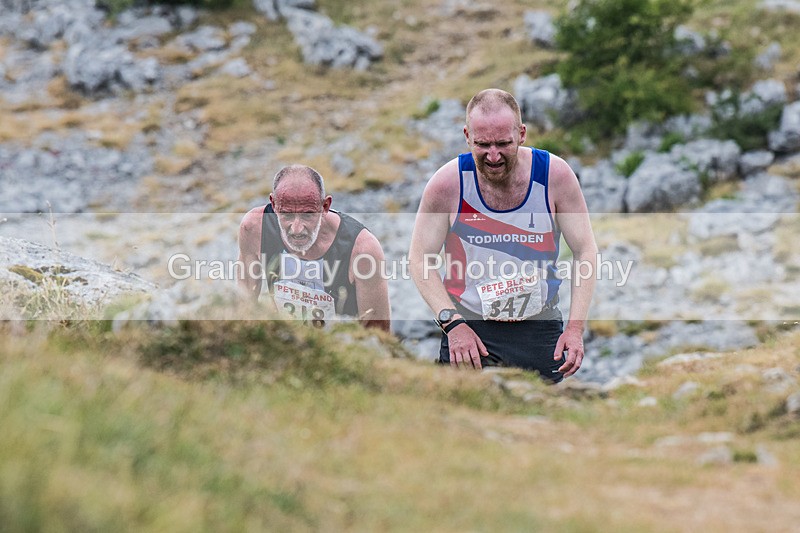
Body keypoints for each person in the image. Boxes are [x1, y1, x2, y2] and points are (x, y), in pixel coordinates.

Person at [409, 89, 597, 382]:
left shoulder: (554, 176)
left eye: (503, 144)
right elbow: (419, 258)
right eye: (483, 144)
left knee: (541, 410)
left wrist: (575, 328)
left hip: (539, 327)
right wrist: (453, 324)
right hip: (470, 329)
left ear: (521, 134)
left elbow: (585, 250)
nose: (493, 155)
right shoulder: (447, 184)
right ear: (467, 136)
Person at [238, 164, 390, 331]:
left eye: (308, 215)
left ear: (325, 207)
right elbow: (243, 308)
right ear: (273, 205)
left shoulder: (362, 249)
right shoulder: (254, 228)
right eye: (287, 214)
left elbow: (378, 333)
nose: (296, 229)